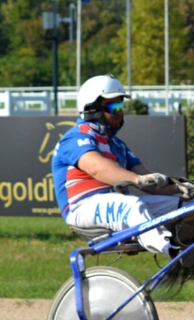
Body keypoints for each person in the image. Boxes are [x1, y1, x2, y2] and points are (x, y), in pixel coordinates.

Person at [52, 75, 182, 256]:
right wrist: (138, 180)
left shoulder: (117, 144)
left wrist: (182, 188)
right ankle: (173, 251)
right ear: (92, 109)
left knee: (185, 205)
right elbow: (98, 168)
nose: (120, 112)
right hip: (81, 208)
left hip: (116, 204)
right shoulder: (75, 137)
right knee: (132, 204)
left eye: (121, 106)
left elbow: (150, 183)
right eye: (114, 107)